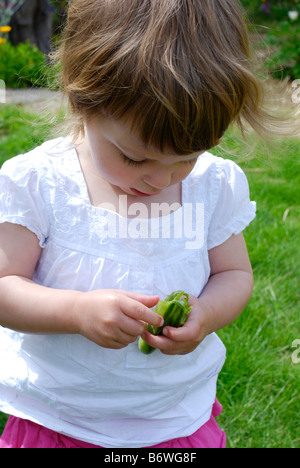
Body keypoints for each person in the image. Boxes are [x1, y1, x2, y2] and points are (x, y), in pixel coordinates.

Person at [0, 0, 274, 448]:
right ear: (80, 95)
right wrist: (76, 312)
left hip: (175, 421)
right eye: (134, 156)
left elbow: (234, 273)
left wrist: (206, 315)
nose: (160, 178)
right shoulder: (39, 183)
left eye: (187, 158)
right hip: (58, 420)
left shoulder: (213, 185)